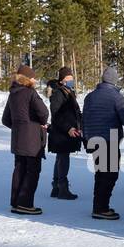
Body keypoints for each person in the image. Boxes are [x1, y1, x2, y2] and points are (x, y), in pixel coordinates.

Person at [81, 66, 124, 220]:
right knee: (110, 175)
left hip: (94, 140)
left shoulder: (90, 97)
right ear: (114, 80)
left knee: (100, 173)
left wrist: (86, 139)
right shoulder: (116, 97)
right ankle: (101, 208)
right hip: (109, 140)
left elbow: (84, 119)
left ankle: (98, 206)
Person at [1, 64, 49, 215]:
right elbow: (44, 113)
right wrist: (37, 125)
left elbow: (5, 119)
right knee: (32, 171)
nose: (35, 80)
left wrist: (19, 128)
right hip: (32, 140)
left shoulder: (13, 93)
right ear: (28, 79)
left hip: (18, 140)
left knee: (19, 170)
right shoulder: (30, 92)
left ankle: (16, 202)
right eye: (33, 77)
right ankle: (25, 204)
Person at [46, 67, 84, 200]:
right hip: (61, 133)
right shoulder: (58, 93)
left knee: (61, 159)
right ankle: (62, 188)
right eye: (68, 78)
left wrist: (81, 122)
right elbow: (56, 115)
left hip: (67, 132)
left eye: (71, 78)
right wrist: (68, 128)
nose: (71, 80)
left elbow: (74, 112)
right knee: (63, 159)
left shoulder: (69, 92)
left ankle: (56, 187)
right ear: (62, 80)